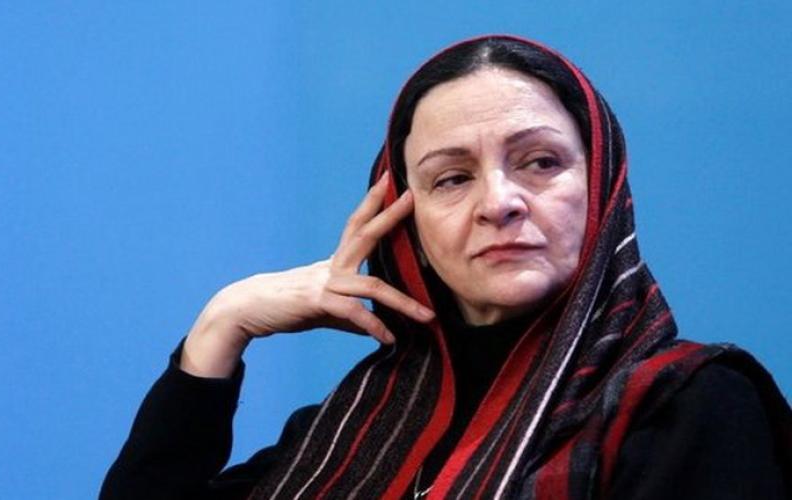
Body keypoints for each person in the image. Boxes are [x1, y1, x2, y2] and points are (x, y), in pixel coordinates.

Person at [101, 35, 792, 499]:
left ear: (603, 187)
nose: (499, 202)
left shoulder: (686, 406)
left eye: (540, 162)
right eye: (452, 178)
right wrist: (221, 325)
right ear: (406, 220)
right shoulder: (350, 427)